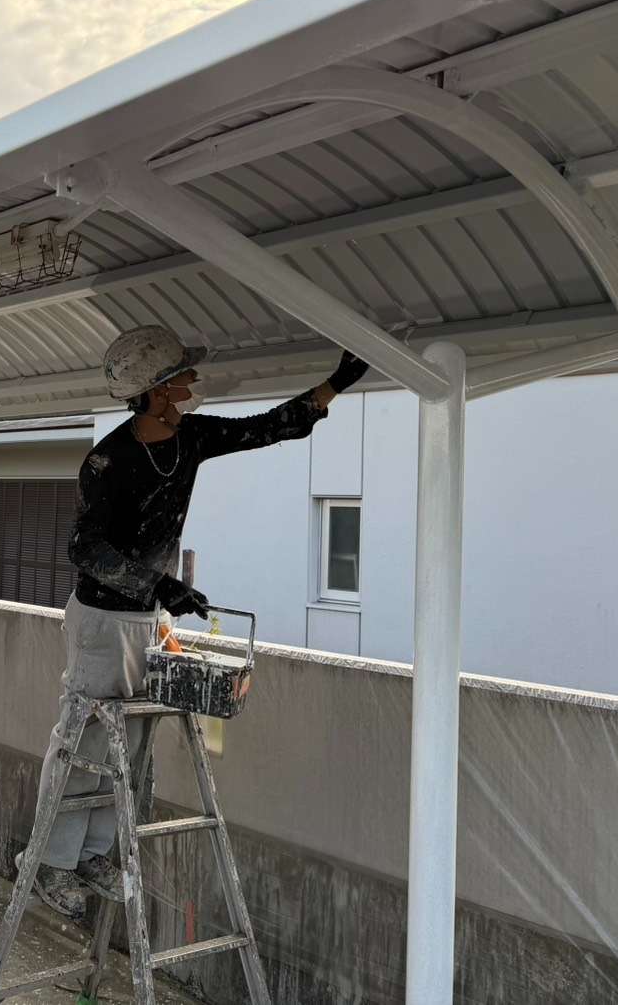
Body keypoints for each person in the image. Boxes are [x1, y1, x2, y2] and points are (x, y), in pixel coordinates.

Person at [20, 325, 370, 918]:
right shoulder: (109, 461)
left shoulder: (190, 439)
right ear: (158, 392)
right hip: (102, 621)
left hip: (143, 617)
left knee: (127, 746)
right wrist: (159, 584)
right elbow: (86, 550)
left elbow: (267, 428)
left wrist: (333, 385)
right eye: (182, 377)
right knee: (85, 741)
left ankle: (94, 854)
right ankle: (51, 864)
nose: (193, 384)